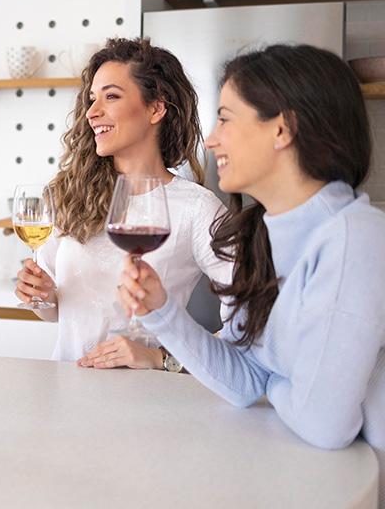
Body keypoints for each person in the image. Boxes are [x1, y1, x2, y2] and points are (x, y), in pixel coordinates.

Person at [118, 44, 385, 504]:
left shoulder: (354, 238)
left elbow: (326, 425)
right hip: (312, 479)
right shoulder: (262, 236)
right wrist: (161, 312)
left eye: (225, 118)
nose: (211, 139)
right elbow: (244, 381)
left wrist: (275, 383)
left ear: (282, 128)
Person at [15, 37, 232, 370]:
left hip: (147, 402)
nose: (92, 112)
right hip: (68, 390)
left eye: (111, 96)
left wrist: (162, 359)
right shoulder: (70, 195)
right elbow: (57, 310)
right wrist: (39, 294)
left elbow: (251, 321)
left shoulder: (197, 208)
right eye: (91, 99)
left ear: (156, 108)